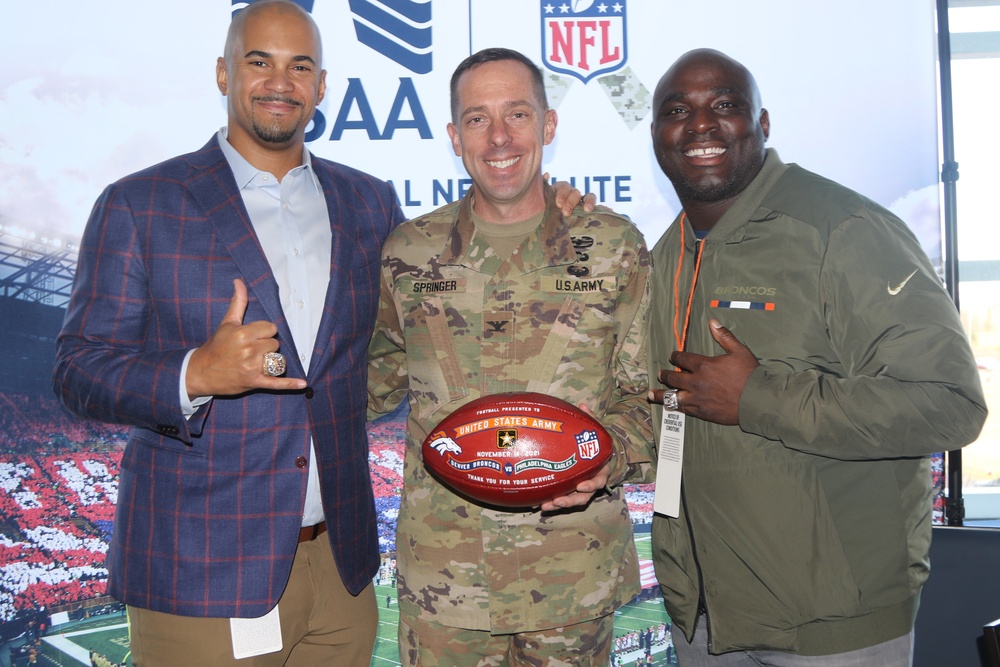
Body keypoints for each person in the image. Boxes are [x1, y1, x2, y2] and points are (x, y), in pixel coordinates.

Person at [52, 2, 405, 664]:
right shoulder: (140, 203)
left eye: (300, 65)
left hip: (341, 569)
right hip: (200, 571)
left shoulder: (369, 202)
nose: (281, 81)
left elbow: (428, 295)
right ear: (222, 73)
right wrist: (194, 374)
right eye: (259, 61)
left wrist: (545, 204)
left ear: (323, 86)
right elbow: (77, 368)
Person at [646, 48, 987, 664]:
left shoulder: (842, 227)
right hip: (705, 616)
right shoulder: (668, 254)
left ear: (763, 123)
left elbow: (950, 405)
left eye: (724, 105)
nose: (700, 125)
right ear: (655, 135)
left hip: (832, 622)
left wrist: (758, 397)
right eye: (677, 111)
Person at [368, 47, 654, 666]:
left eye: (517, 115)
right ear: (453, 136)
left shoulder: (612, 247)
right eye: (476, 119)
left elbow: (654, 398)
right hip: (448, 590)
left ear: (548, 126)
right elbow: (366, 379)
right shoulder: (408, 253)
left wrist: (611, 459)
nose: (499, 137)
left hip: (571, 579)